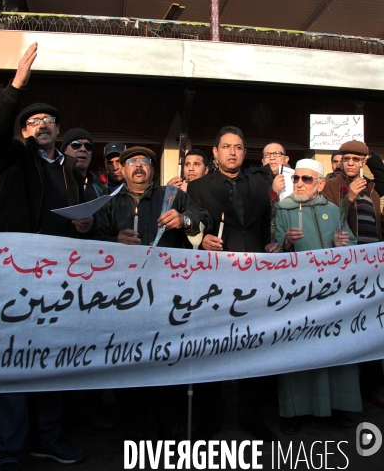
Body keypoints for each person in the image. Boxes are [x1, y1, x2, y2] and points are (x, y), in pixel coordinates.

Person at [0, 43, 89, 469]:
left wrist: (83, 225)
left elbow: (76, 216)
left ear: (58, 130)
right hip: (17, 278)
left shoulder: (71, 170)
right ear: (24, 131)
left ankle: (48, 437)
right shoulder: (13, 158)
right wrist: (15, 87)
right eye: (34, 120)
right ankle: (8, 451)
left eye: (49, 120)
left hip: (60, 283)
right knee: (12, 359)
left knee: (51, 361)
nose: (42, 123)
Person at [93, 145, 212, 441]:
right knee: (128, 362)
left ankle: (170, 426)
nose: (138, 166)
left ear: (152, 168)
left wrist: (183, 221)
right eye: (131, 161)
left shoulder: (171, 197)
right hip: (124, 297)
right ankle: (134, 427)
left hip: (167, 295)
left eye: (144, 161)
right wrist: (113, 240)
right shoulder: (110, 202)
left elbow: (204, 219)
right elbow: (92, 241)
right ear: (122, 168)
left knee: (166, 359)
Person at [187, 126, 275, 441]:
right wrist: (200, 239)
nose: (233, 152)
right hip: (214, 280)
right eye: (226, 146)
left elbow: (266, 226)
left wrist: (271, 245)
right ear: (215, 151)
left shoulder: (259, 185)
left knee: (253, 350)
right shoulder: (197, 187)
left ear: (244, 151)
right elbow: (189, 226)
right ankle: (210, 420)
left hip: (254, 279)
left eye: (238, 146)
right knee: (212, 348)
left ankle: (252, 418)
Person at [275, 158, 361, 434]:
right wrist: (286, 242)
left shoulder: (335, 210)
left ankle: (336, 406)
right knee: (298, 351)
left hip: (332, 295)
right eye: (296, 179)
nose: (299, 184)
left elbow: (353, 245)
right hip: (297, 295)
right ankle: (297, 409)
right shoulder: (283, 209)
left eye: (307, 179)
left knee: (334, 350)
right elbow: (272, 247)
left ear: (321, 184)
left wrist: (344, 244)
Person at [322, 140, 384, 407]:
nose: (350, 163)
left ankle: (371, 385)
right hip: (347, 267)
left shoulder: (372, 188)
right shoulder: (331, 187)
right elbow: (330, 223)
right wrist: (348, 198)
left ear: (363, 161)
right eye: (346, 158)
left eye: (356, 159)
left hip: (374, 267)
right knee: (348, 326)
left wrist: (370, 162)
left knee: (372, 326)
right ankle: (346, 390)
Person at [61, 128, 104, 201]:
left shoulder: (98, 188)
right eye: (76, 145)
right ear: (64, 151)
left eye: (88, 146)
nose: (83, 149)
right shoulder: (55, 181)